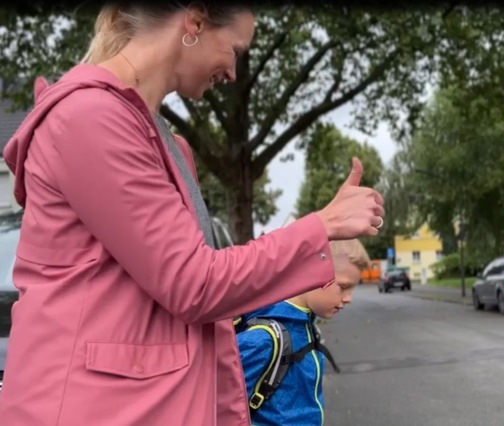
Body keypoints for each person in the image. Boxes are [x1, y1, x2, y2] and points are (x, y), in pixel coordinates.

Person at [0, 2, 385, 425]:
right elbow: (195, 282)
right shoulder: (89, 118)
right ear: (195, 22)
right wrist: (322, 226)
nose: (234, 73)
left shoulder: (165, 142)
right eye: (235, 50)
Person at [236, 238, 369, 426]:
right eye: (343, 287)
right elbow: (223, 410)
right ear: (312, 273)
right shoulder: (265, 339)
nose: (349, 299)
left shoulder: (304, 325)